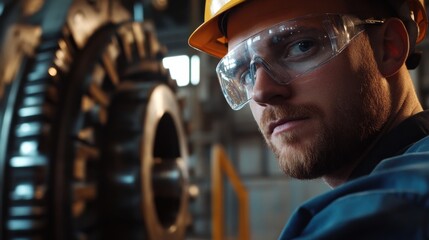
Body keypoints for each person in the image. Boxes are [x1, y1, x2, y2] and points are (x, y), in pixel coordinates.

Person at [189, 0, 429, 239]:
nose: (261, 92)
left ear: (389, 48)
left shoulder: (395, 211)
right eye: (245, 73)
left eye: (301, 46)